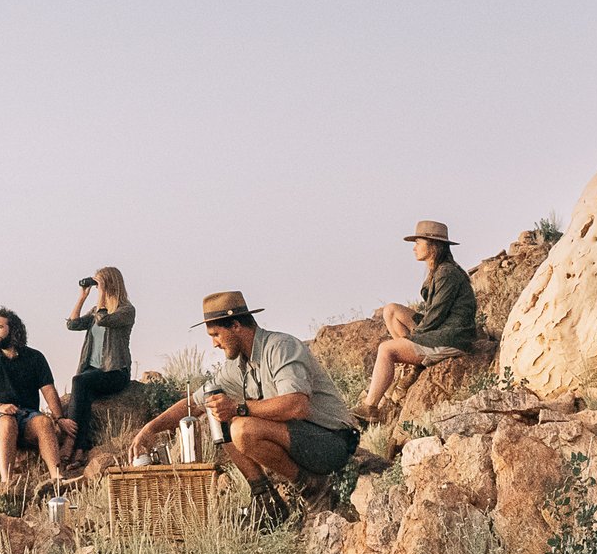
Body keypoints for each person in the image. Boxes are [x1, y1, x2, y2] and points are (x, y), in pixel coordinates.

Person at [127, 291, 359, 525]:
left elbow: (297, 406)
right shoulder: (237, 365)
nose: (214, 343)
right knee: (217, 411)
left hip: (332, 442)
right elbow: (195, 403)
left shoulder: (280, 347)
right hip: (298, 441)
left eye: (216, 334)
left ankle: (315, 490)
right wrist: (150, 429)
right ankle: (266, 500)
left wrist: (239, 408)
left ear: (236, 326)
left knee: (242, 428)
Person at [362, 220, 480, 417]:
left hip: (451, 337)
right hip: (442, 329)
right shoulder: (438, 271)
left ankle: (369, 407)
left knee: (386, 349)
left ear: (433, 246)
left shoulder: (447, 273)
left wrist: (411, 338)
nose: (414, 248)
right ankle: (414, 361)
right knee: (390, 310)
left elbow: (436, 315)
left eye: (418, 242)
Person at [0, 306, 66, 485]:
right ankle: (8, 483)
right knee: (7, 423)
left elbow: (49, 390)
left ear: (13, 330)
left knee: (44, 422)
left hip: (26, 415)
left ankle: (57, 478)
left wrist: (59, 418)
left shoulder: (35, 358)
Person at [61, 266, 136, 458]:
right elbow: (72, 324)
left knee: (79, 381)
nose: (97, 289)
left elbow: (103, 320)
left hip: (115, 372)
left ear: (110, 283)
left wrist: (102, 295)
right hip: (92, 371)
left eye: (99, 284)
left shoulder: (126, 310)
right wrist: (82, 296)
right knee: (83, 396)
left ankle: (70, 442)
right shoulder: (95, 310)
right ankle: (80, 449)